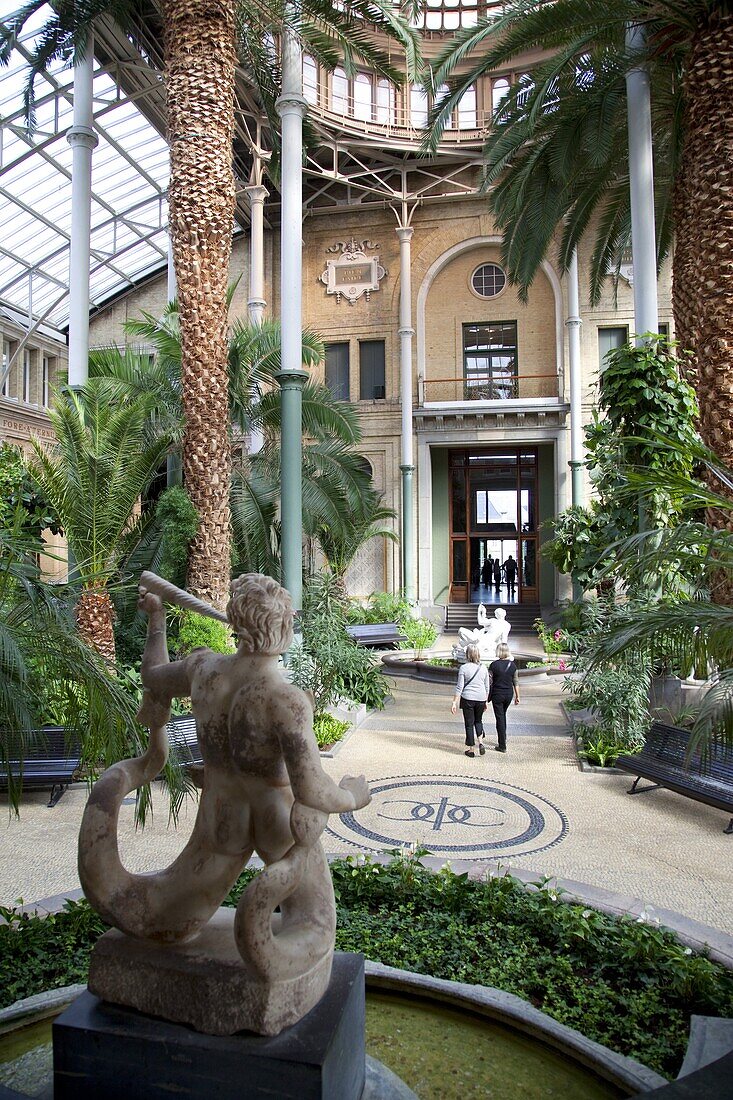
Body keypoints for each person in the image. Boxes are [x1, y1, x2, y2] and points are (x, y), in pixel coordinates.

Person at [450, 643, 490, 758]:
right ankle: (481, 742)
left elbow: (459, 687)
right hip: (481, 698)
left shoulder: (464, 668)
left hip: (468, 698)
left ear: (467, 655)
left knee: (469, 723)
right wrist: (486, 701)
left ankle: (471, 749)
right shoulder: (483, 668)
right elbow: (487, 686)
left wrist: (454, 702)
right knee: (478, 721)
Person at [488, 642, 520, 752]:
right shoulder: (513, 665)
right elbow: (515, 681)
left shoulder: (493, 665)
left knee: (500, 718)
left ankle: (502, 745)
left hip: (497, 694)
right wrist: (517, 696)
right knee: (503, 715)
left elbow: (489, 681)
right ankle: (504, 737)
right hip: (508, 694)